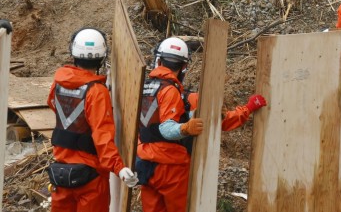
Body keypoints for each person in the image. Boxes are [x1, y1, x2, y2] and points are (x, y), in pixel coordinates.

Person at [138, 37, 267, 212]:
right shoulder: (185, 97)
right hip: (172, 167)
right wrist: (248, 108)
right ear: (184, 67)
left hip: (145, 164)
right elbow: (219, 120)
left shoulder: (142, 88)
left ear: (158, 60)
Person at [47, 28, 139, 211]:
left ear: (73, 52)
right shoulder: (97, 92)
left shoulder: (58, 83)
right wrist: (119, 168)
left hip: (61, 173)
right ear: (102, 58)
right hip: (90, 179)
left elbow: (53, 105)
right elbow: (102, 137)